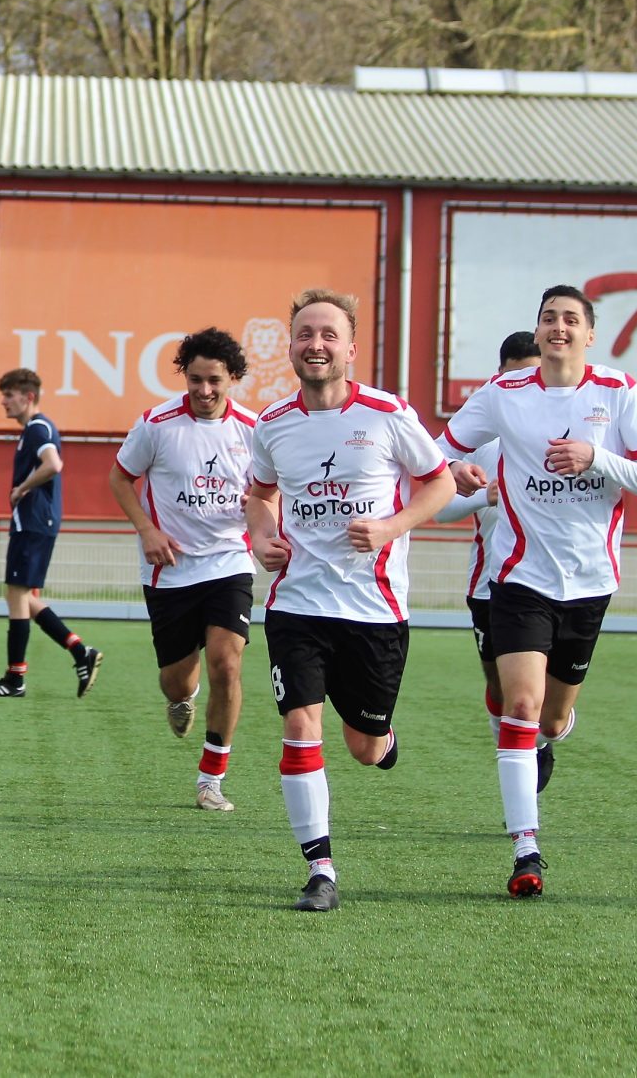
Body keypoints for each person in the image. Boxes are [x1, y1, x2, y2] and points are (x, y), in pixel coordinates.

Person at [440, 284, 637, 899]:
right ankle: (526, 849)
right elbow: (437, 452)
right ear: (538, 331)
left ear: (589, 334)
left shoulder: (618, 391)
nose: (558, 327)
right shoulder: (504, 393)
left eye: (571, 319)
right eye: (549, 318)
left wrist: (597, 457)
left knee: (552, 714)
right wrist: (454, 469)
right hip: (520, 577)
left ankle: (553, 733)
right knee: (519, 706)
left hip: (590, 581)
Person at [243, 290, 453, 911]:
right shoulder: (273, 424)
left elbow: (440, 483)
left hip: (374, 610)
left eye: (329, 335)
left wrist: (390, 527)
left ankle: (381, 738)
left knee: (363, 747)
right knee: (300, 725)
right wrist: (261, 536)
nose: (316, 345)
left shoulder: (388, 414)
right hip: (296, 605)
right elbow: (259, 495)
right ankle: (320, 870)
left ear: (351, 349)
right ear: (290, 346)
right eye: (305, 334)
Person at [107, 327, 260, 812]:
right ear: (184, 377)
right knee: (177, 679)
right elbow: (120, 478)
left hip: (230, 561)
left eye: (215, 380)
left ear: (233, 378)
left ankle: (211, 778)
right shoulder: (156, 424)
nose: (204, 390)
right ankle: (182, 697)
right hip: (170, 570)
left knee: (227, 664)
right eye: (196, 380)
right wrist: (148, 531)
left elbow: (271, 489)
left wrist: (263, 515)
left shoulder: (255, 429)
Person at [433, 331, 540, 764]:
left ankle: (542, 737)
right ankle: (517, 748)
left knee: (541, 697)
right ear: (498, 377)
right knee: (500, 684)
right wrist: (484, 497)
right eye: (515, 377)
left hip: (550, 581)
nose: (524, 388)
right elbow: (440, 508)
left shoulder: (564, 432)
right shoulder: (479, 436)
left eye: (534, 377)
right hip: (489, 583)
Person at [0, 368, 100, 698]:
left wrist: (21, 488)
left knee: (17, 596)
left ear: (28, 397)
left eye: (9, 395)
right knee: (21, 597)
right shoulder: (35, 429)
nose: (3, 402)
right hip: (36, 523)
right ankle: (80, 652)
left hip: (33, 522)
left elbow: (53, 464)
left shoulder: (38, 428)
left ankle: (15, 679)